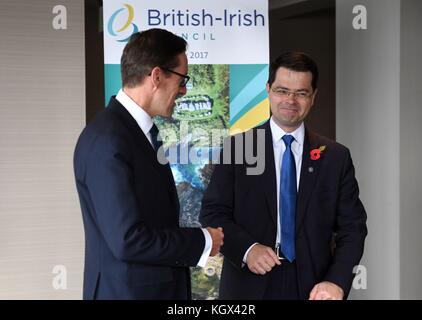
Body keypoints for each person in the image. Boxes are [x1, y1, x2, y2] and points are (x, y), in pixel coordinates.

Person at [200, 51, 367, 300]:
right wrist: (247, 249)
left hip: (315, 287)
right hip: (249, 285)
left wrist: (336, 281)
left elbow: (352, 228)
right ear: (268, 89)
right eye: (282, 90)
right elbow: (213, 214)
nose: (290, 100)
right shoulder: (238, 148)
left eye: (301, 93)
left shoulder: (335, 156)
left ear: (313, 97)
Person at [73, 28, 224, 300]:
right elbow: (128, 240)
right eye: (181, 79)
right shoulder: (109, 140)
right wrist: (203, 240)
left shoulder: (134, 133)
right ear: (156, 76)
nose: (184, 89)